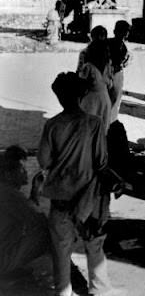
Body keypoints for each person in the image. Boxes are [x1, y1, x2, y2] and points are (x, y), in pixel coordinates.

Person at [38, 72, 121, 296]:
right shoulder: (93, 124)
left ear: (58, 96)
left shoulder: (53, 125)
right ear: (83, 95)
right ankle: (99, 289)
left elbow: (43, 160)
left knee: (60, 249)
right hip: (88, 198)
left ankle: (63, 291)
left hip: (61, 197)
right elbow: (101, 162)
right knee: (94, 245)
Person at [0, 146, 51, 280]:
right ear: (7, 174)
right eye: (22, 168)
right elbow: (39, 221)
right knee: (50, 232)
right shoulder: (11, 195)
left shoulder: (5, 191)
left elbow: (27, 212)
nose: (26, 172)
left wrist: (35, 191)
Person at [77, 26, 114, 131]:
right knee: (102, 130)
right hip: (104, 99)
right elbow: (110, 83)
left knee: (87, 129)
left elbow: (80, 78)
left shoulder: (87, 61)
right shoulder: (108, 60)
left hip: (90, 99)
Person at [107, 20, 130, 123]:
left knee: (114, 101)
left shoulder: (122, 46)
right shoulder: (111, 44)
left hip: (115, 74)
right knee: (113, 101)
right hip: (112, 73)